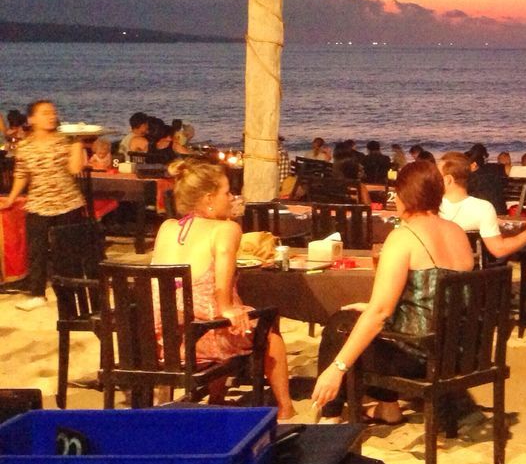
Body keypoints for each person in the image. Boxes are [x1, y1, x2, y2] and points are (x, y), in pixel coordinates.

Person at [310, 160, 474, 424]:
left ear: (403, 196)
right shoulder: (457, 233)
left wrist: (336, 368)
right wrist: (374, 309)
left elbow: (380, 313)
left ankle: (330, 417)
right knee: (359, 318)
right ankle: (388, 407)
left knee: (340, 326)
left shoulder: (403, 237)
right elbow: (435, 297)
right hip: (459, 351)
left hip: (422, 356)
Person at [150, 157, 294, 419]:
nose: (231, 198)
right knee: (266, 329)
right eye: (226, 193)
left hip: (156, 339)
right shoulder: (226, 229)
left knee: (224, 321)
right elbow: (221, 293)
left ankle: (217, 397)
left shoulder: (167, 227)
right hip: (194, 340)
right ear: (208, 199)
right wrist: (229, 308)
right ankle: (285, 408)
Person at [0, 100, 86, 310]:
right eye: (45, 113)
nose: (51, 116)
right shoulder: (25, 145)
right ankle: (37, 293)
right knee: (36, 250)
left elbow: (75, 169)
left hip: (68, 203)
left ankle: (71, 292)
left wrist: (77, 143)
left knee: (67, 251)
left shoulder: (64, 141)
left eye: (53, 113)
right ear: (31, 119)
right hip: (38, 203)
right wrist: (11, 198)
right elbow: (21, 174)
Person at [438, 151, 526, 260]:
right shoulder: (482, 209)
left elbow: (498, 222)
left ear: (448, 180)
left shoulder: (431, 207)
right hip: (470, 274)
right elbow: (499, 250)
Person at [464, 143, 507, 211]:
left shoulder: (471, 178)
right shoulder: (497, 169)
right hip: (500, 209)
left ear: (474, 164)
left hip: (479, 210)